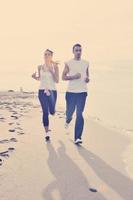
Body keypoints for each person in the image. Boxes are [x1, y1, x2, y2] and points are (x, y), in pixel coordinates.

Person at [62, 43, 90, 144]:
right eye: (76, 50)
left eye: (80, 50)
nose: (78, 52)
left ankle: (78, 137)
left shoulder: (86, 63)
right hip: (71, 92)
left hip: (82, 92)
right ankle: (68, 119)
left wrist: (87, 79)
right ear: (73, 51)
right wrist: (73, 77)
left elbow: (87, 77)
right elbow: (63, 77)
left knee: (79, 113)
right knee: (70, 113)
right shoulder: (68, 63)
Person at [32, 49, 59, 141]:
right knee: (45, 112)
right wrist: (35, 77)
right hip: (42, 91)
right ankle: (47, 133)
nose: (46, 56)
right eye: (45, 54)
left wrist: (51, 71)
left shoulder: (55, 66)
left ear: (51, 56)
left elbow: (57, 80)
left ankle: (53, 110)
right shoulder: (40, 67)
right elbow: (40, 79)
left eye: (48, 54)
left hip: (52, 91)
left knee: (51, 111)